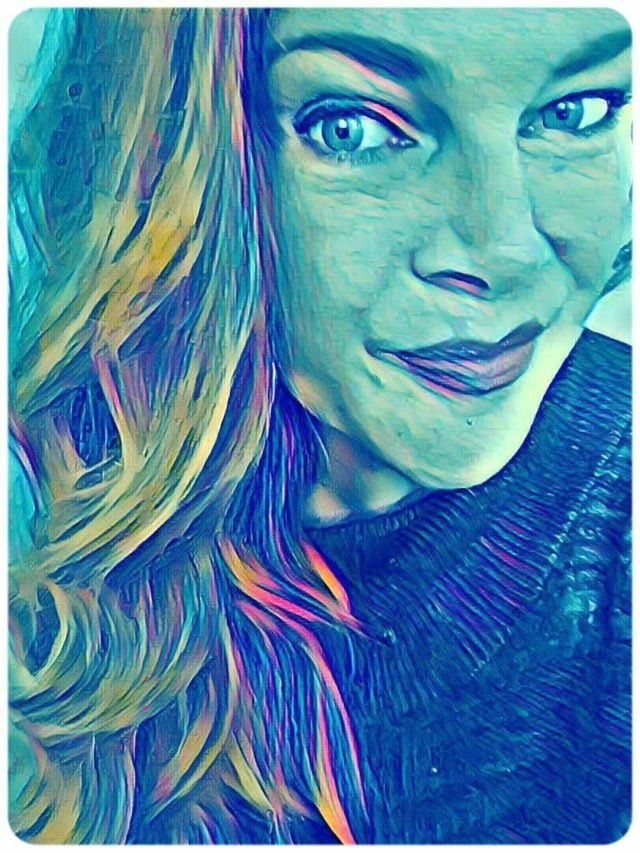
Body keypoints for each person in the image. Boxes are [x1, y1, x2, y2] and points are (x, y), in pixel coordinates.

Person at [8, 6, 631, 844]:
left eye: (574, 113)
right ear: (172, 172)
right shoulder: (56, 490)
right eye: (352, 128)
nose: (506, 249)